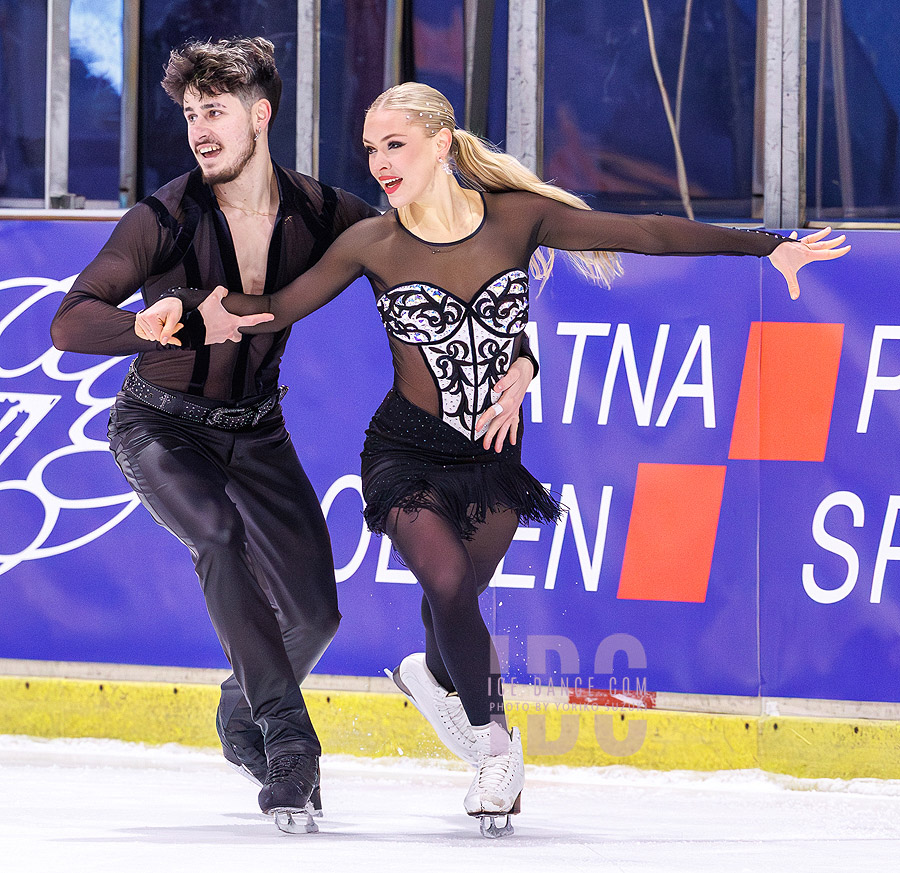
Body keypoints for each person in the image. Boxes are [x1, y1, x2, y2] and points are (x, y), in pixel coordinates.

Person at [138, 82, 849, 837]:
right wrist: (182, 310)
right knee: (443, 579)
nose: (379, 162)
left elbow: (645, 231)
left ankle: (436, 680)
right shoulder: (371, 243)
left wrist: (770, 247)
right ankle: (494, 749)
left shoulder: (518, 220)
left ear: (442, 144)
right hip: (401, 451)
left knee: (454, 602)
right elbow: (277, 307)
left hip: (490, 458)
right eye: (371, 149)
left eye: (395, 145)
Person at [50, 37, 382, 835]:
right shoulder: (163, 215)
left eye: (217, 110)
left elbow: (421, 266)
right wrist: (142, 325)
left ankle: (240, 710)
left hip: (258, 433)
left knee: (315, 616)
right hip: (159, 427)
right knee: (219, 537)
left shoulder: (325, 212)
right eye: (192, 112)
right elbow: (69, 321)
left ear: (260, 115)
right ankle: (288, 739)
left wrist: (515, 345)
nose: (200, 127)